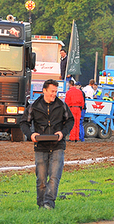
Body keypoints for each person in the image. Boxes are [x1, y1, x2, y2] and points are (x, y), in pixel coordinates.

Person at [20, 79, 74, 209]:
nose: (54, 94)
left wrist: (63, 132)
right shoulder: (34, 107)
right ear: (44, 91)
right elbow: (23, 123)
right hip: (41, 146)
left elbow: (70, 120)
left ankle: (49, 203)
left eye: (56, 91)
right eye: (52, 91)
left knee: (55, 176)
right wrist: (31, 135)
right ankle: (41, 204)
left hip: (57, 145)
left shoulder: (62, 106)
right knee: (41, 179)